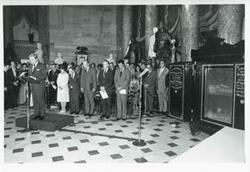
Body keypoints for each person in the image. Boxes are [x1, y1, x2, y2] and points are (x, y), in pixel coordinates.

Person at [27, 53, 47, 120]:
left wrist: (36, 78)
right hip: (33, 86)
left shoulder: (41, 65)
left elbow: (44, 75)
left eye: (32, 59)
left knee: (40, 100)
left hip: (40, 86)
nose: (31, 61)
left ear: (36, 59)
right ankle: (36, 114)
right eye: (30, 59)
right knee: (35, 100)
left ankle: (42, 114)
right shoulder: (30, 66)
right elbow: (29, 74)